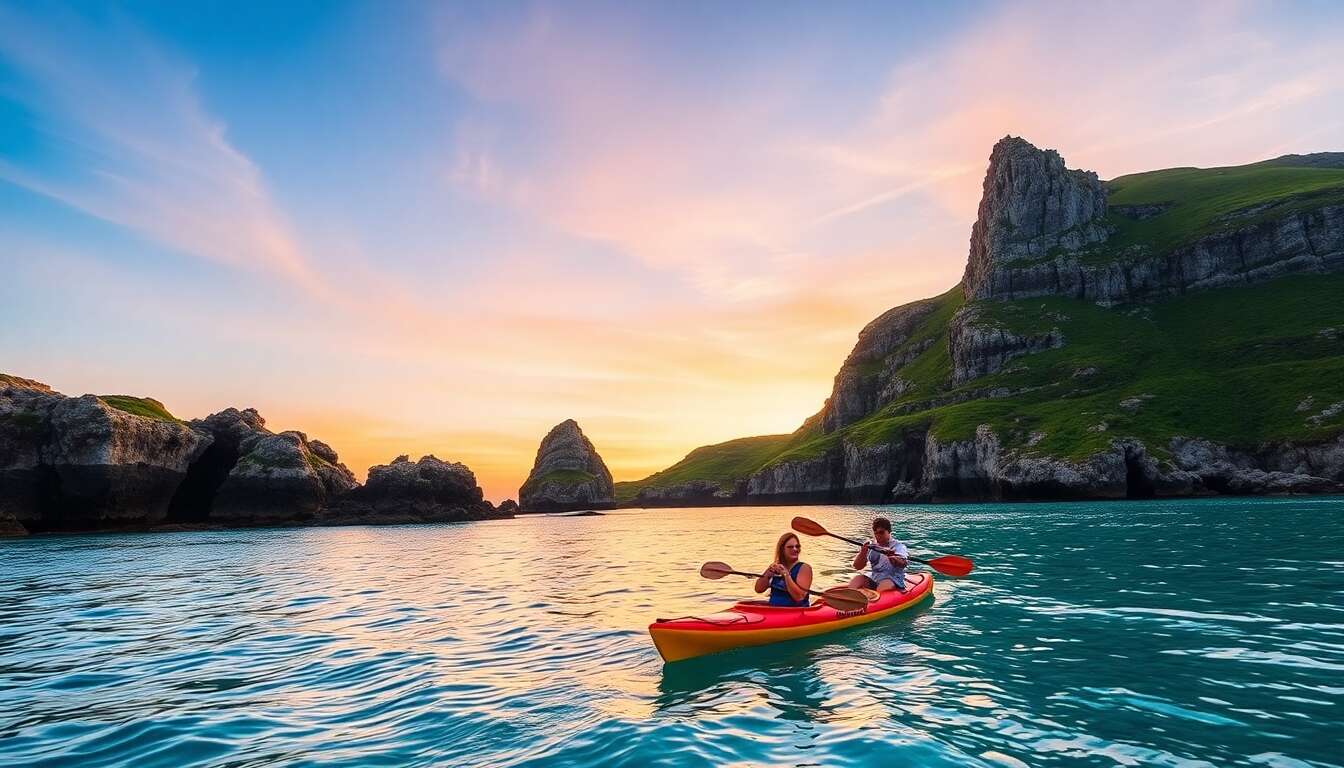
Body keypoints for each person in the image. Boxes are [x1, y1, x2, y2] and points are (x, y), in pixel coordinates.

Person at [847, 516, 908, 592]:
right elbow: (857, 567)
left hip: (892, 579)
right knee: (857, 580)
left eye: (881, 532)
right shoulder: (872, 546)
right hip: (874, 578)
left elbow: (903, 563)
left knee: (884, 586)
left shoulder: (898, 546)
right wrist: (863, 552)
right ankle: (851, 598)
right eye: (876, 533)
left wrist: (892, 557)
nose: (878, 536)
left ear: (889, 531)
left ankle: (877, 600)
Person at [754, 532, 813, 606]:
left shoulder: (804, 568)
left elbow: (799, 597)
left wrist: (786, 575)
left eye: (797, 546)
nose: (795, 549)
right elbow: (758, 589)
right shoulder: (776, 567)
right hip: (775, 611)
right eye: (790, 547)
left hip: (796, 612)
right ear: (782, 549)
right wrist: (767, 574)